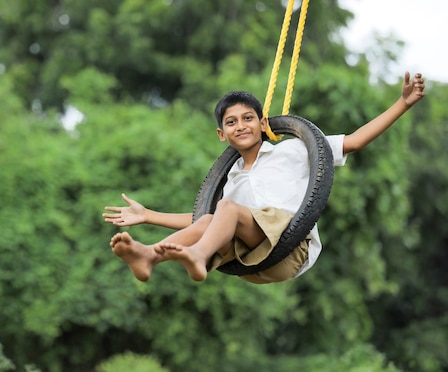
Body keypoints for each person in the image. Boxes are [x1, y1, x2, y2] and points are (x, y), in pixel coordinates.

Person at [103, 72, 426, 284]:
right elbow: (203, 221)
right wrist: (148, 216)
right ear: (221, 133)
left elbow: (354, 141)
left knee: (225, 210)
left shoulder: (294, 149)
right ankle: (148, 255)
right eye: (231, 122)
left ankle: (198, 256)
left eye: (248, 118)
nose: (240, 125)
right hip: (251, 260)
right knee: (212, 217)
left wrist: (403, 102)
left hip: (291, 250)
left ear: (263, 123)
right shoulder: (231, 178)